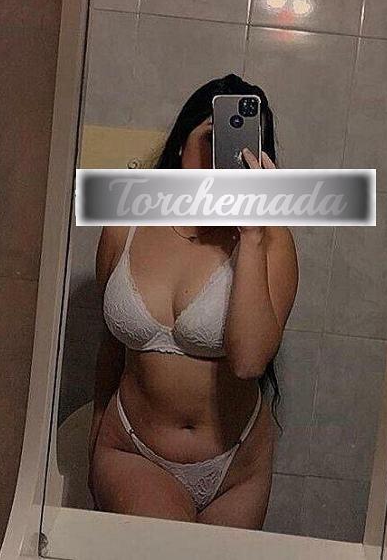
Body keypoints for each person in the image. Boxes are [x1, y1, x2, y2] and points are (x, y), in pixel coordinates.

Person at [88, 74, 298, 529]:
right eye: (212, 139)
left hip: (237, 470)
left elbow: (249, 361)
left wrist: (251, 235)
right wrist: (96, 435)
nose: (226, 157)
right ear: (182, 142)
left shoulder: (271, 241)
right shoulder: (127, 222)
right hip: (132, 450)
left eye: (242, 145)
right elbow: (109, 348)